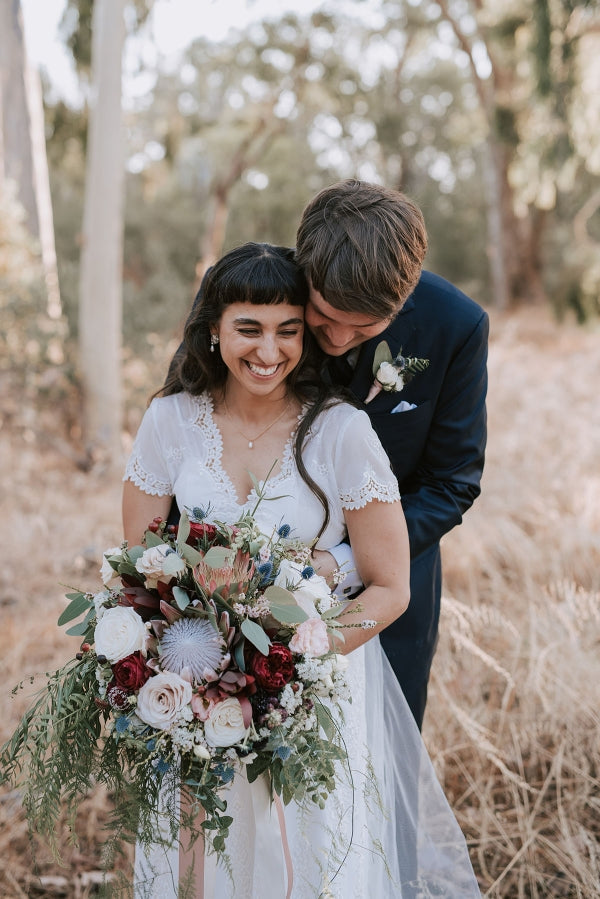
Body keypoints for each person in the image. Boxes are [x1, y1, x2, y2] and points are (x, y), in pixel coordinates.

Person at [123, 243, 480, 897]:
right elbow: (143, 572)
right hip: (196, 697)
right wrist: (193, 677)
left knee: (310, 862)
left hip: (310, 695)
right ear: (213, 328)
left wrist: (289, 668)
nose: (270, 349)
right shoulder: (168, 422)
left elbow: (391, 585)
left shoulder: (340, 432)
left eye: (289, 330)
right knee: (203, 866)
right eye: (250, 328)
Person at [295, 180, 489, 730]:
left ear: (402, 301)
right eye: (323, 316)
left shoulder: (456, 325)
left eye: (364, 327)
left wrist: (351, 561)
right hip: (257, 573)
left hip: (394, 592)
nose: (337, 338)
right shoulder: (255, 296)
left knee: (382, 767)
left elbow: (452, 481)